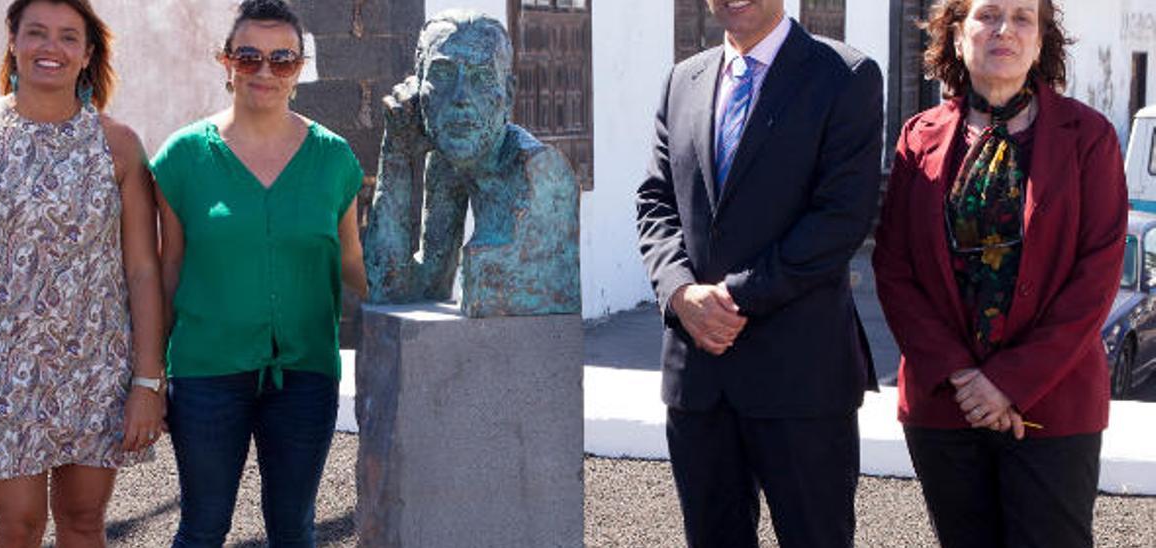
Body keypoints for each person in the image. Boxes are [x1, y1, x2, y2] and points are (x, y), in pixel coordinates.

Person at [872, 0, 1125, 546]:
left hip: (1053, 407)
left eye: (1022, 17)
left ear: (1040, 41)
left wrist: (1008, 383)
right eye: (987, 15)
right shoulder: (919, 138)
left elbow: (1097, 276)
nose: (1004, 30)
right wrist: (966, 380)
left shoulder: (1090, 137)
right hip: (945, 405)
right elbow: (894, 270)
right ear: (957, 36)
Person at [635, 0, 883, 545]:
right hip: (699, 378)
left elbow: (841, 218)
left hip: (801, 377)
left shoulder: (844, 76)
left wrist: (732, 297)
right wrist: (679, 293)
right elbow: (656, 202)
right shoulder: (682, 81)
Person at [0, 0, 166, 545]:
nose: (50, 48)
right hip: (2, 375)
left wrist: (147, 382)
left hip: (98, 371)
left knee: (84, 523)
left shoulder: (118, 145)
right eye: (36, 33)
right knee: (17, 524)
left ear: (86, 54)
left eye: (66, 37)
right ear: (13, 40)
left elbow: (143, 271)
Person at [149, 0, 367, 545]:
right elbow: (166, 271)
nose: (265, 71)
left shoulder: (335, 160)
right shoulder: (182, 158)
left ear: (300, 67)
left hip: (306, 375)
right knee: (203, 525)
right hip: (205, 373)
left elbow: (353, 264)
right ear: (226, 63)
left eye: (282, 59)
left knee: (293, 528)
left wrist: (426, 306)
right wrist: (149, 377)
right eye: (249, 57)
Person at [364, 9, 580, 318]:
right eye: (442, 75)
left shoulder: (541, 173)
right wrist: (395, 153)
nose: (461, 96)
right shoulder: (447, 162)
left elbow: (485, 286)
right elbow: (395, 287)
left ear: (508, 94)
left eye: (481, 77)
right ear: (418, 89)